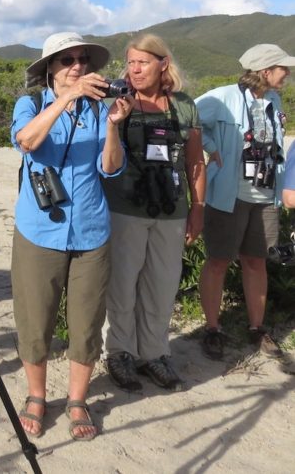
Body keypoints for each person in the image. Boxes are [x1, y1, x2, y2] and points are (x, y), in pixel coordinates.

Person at [11, 31, 131, 441]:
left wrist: (114, 126)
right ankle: (37, 396)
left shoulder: (99, 111)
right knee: (35, 317)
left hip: (91, 231)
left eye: (84, 59)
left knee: (86, 322)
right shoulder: (30, 104)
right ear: (50, 69)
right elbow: (26, 141)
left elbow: (111, 168)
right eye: (67, 60)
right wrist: (66, 99)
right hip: (39, 229)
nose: (78, 66)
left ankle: (78, 401)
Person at [101, 34, 205, 392]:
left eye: (142, 62)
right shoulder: (119, 103)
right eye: (130, 62)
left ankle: (154, 354)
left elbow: (195, 162)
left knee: (161, 285)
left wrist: (198, 208)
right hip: (125, 208)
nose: (135, 69)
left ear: (163, 64)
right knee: (123, 284)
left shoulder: (184, 107)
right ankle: (119, 352)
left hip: (172, 210)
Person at [194, 43, 294, 360]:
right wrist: (212, 146)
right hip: (229, 194)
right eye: (283, 68)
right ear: (265, 71)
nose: (287, 74)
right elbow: (187, 118)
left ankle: (257, 328)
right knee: (219, 261)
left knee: (256, 261)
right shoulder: (223, 97)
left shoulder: (274, 100)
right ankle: (212, 328)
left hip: (265, 196)